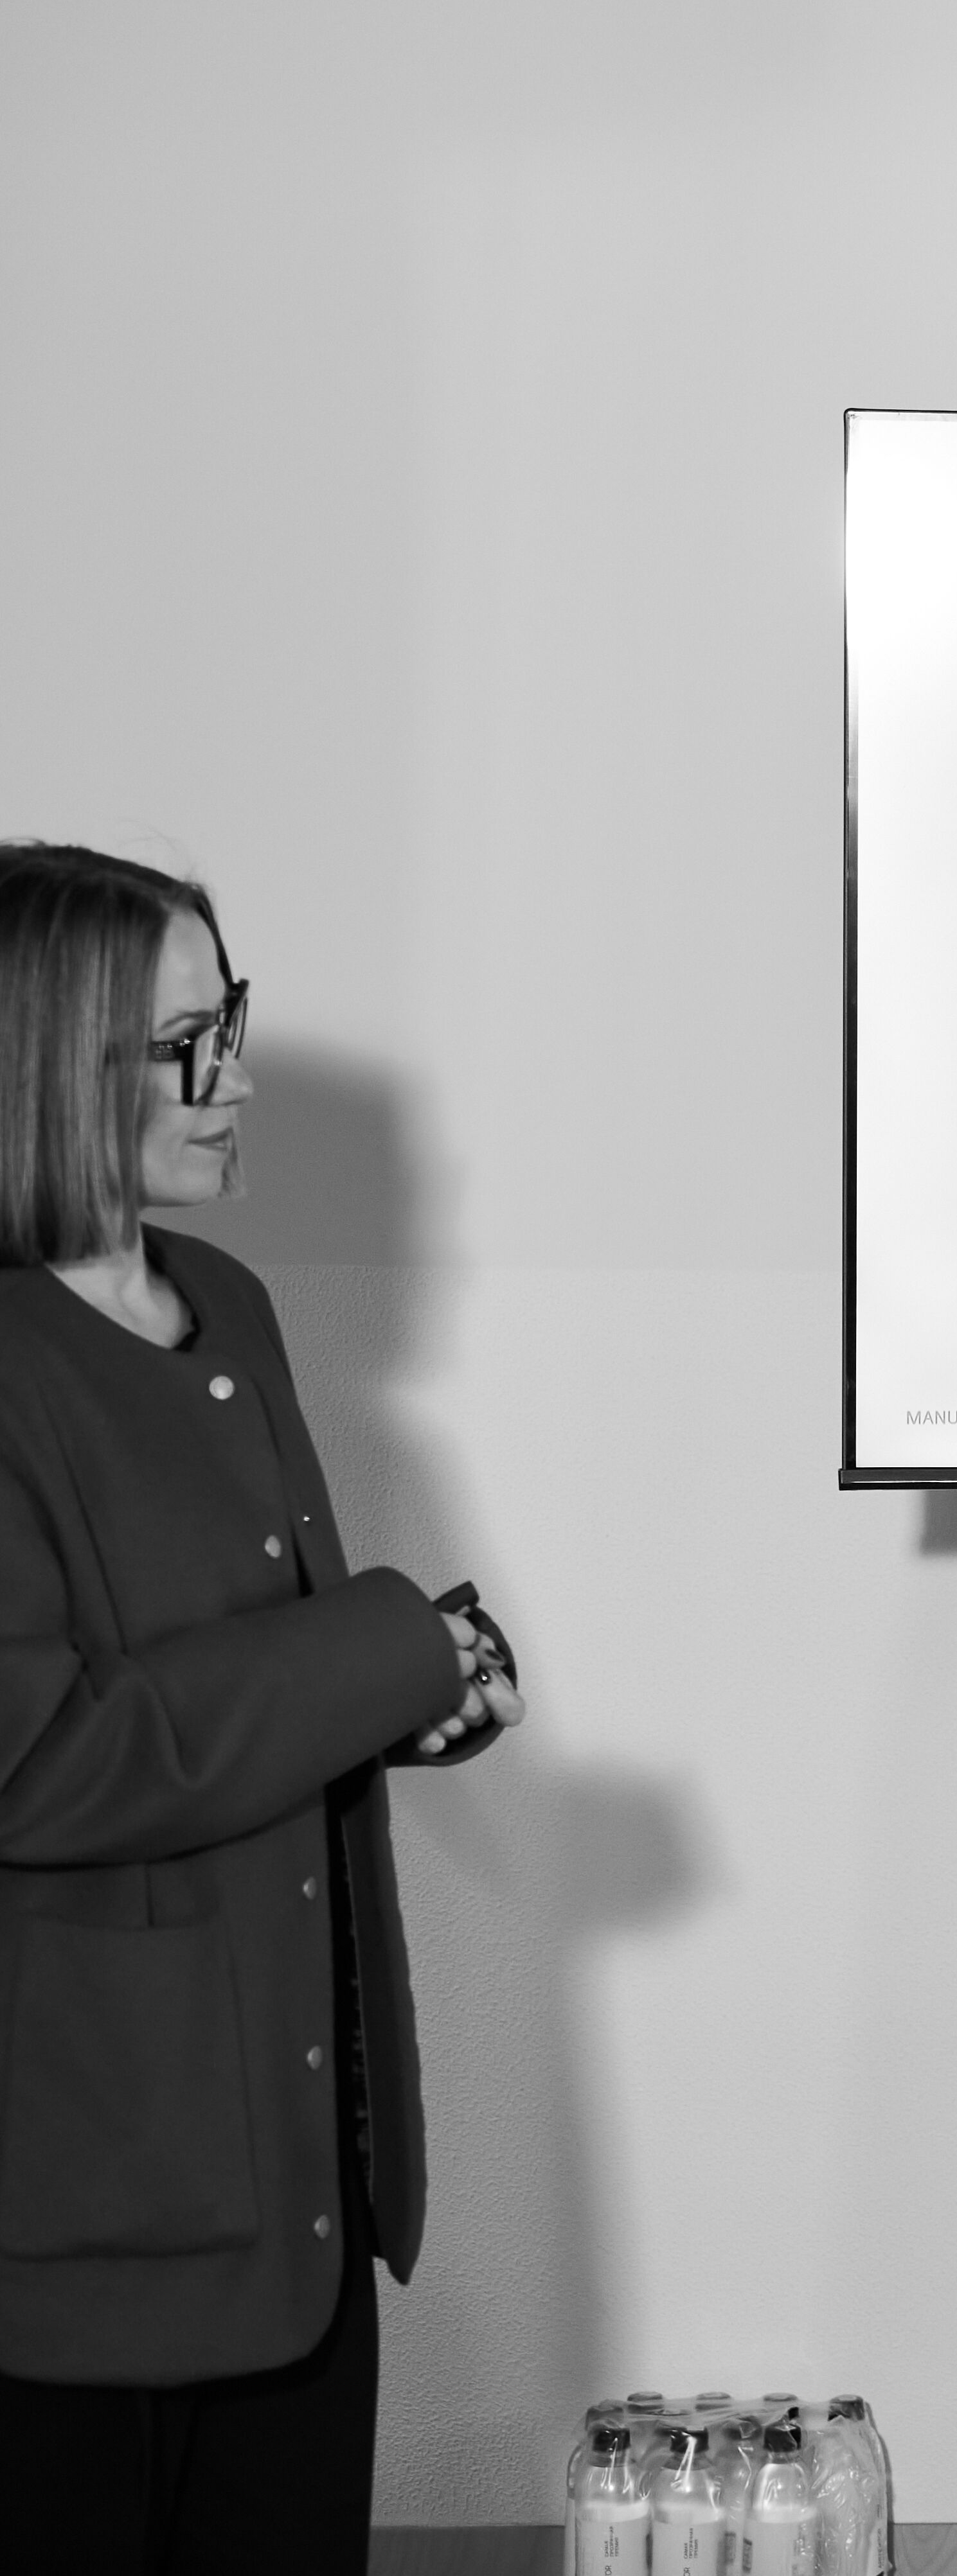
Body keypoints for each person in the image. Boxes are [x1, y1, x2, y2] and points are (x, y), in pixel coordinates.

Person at [0, 843, 524, 2574]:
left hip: (293, 2177)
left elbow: (250, 1676)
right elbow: (41, 1761)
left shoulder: (230, 1306)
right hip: (85, 2218)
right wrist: (381, 1648)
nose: (231, 1080)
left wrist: (410, 1694)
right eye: (181, 1047)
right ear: (40, 1061)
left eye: (228, 1022)